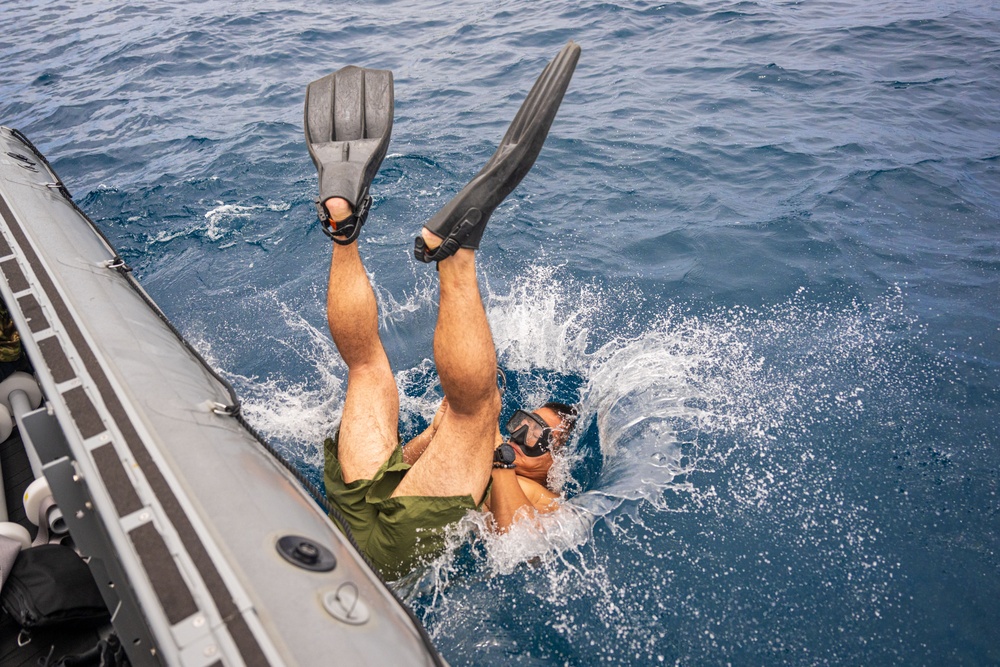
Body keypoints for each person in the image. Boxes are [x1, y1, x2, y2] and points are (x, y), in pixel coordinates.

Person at [305, 42, 581, 579]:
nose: (521, 435)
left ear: (557, 462)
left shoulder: (543, 494)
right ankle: (451, 253)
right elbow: (403, 476)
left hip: (356, 514)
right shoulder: (485, 465)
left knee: (377, 371)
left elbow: (518, 542)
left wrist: (499, 466)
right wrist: (437, 441)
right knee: (441, 395)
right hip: (375, 520)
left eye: (537, 437)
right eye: (525, 424)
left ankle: (343, 228)